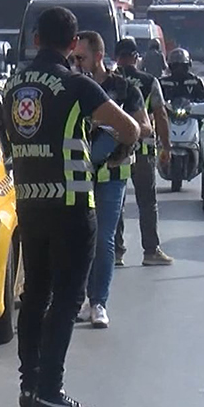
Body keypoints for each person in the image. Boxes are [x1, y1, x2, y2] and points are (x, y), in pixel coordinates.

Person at [3, 7, 139, 407]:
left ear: (37, 39)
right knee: (66, 298)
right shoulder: (76, 84)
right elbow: (130, 128)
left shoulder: (12, 85)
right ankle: (51, 390)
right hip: (72, 203)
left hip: (30, 201)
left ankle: (30, 384)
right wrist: (117, 147)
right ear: (74, 43)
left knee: (34, 295)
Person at [73, 31, 150, 330]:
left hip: (113, 173)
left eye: (81, 57)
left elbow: (144, 127)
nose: (77, 63)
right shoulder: (74, 86)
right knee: (81, 239)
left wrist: (114, 127)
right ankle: (80, 298)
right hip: (79, 173)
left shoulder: (124, 88)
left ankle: (99, 302)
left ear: (98, 57)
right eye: (74, 58)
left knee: (104, 238)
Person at [113, 37, 174, 267]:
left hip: (115, 151)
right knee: (147, 202)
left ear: (116, 57)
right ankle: (151, 251)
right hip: (143, 149)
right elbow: (161, 114)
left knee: (115, 202)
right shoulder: (149, 81)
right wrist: (166, 147)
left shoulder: (109, 80)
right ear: (136, 58)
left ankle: (116, 251)